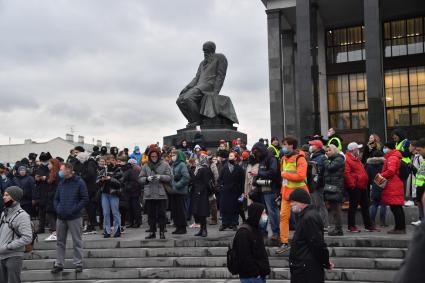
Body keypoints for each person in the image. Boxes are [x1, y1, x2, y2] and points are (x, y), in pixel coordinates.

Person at [176, 41, 228, 127]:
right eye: (203, 50)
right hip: (198, 86)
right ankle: (192, 120)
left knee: (188, 98)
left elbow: (221, 76)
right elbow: (196, 78)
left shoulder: (220, 57)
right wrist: (187, 87)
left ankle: (197, 120)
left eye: (206, 50)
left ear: (212, 49)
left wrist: (216, 91)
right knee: (179, 100)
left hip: (209, 85)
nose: (204, 52)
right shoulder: (202, 63)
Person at [288, 188, 333, 283]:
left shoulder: (309, 218)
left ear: (302, 202)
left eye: (293, 201)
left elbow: (317, 244)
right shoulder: (306, 216)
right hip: (304, 267)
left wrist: (325, 262)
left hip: (307, 270)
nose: (291, 204)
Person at [51, 163, 88, 274]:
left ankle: (78, 264)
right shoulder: (61, 182)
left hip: (74, 217)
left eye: (62, 170)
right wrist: (58, 209)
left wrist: (74, 209)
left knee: (77, 241)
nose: (60, 172)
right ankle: (59, 264)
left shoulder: (79, 182)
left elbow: (85, 198)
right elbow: (56, 199)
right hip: (61, 217)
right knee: (60, 242)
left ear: (69, 170)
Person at [277, 137, 308, 254]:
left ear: (292, 146)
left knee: (302, 219)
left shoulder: (300, 159)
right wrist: (281, 193)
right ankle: (284, 242)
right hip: (286, 194)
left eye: (285, 144)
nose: (283, 147)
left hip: (299, 194)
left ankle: (303, 241)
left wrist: (285, 174)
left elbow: (301, 176)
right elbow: (283, 179)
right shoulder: (283, 159)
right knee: (283, 217)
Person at [0, 186, 32, 283]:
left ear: (14, 198)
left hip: (13, 256)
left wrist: (8, 247)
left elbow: (27, 237)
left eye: (7, 195)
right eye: (4, 195)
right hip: (1, 256)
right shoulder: (4, 213)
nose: (3, 197)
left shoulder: (23, 216)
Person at [139, 147, 172, 239]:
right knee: (151, 215)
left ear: (158, 156)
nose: (154, 157)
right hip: (149, 194)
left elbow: (170, 177)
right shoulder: (146, 165)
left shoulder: (165, 165)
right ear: (149, 156)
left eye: (155, 156)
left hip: (161, 193)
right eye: (152, 156)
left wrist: (161, 177)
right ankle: (152, 232)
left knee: (162, 214)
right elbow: (140, 178)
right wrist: (146, 179)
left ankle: (162, 232)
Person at [232, 202, 271, 283]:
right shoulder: (243, 233)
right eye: (263, 213)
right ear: (256, 214)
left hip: (259, 275)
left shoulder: (256, 229)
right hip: (251, 277)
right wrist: (256, 273)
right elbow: (244, 257)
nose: (265, 216)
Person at [250, 142, 280, 243]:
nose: (255, 154)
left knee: (272, 212)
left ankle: (276, 232)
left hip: (271, 190)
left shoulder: (271, 159)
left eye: (256, 152)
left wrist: (258, 173)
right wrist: (256, 179)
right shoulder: (262, 160)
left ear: (261, 150)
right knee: (264, 213)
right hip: (262, 190)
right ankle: (263, 232)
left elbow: (273, 173)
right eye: (254, 153)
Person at [345, 142, 378, 233]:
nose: (359, 150)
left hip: (362, 186)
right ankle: (351, 226)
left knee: (365, 206)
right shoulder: (348, 159)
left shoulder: (356, 159)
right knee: (353, 207)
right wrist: (352, 185)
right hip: (355, 186)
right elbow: (346, 173)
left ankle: (368, 226)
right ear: (353, 150)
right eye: (357, 149)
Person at [381, 142, 406, 234]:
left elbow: (391, 171)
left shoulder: (392, 158)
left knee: (396, 208)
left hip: (393, 185)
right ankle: (399, 227)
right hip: (395, 185)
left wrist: (381, 175)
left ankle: (400, 228)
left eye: (385, 147)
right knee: (396, 207)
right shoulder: (394, 157)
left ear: (389, 148)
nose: (384, 149)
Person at [219, 151, 245, 231]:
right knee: (224, 207)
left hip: (235, 191)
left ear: (235, 158)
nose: (229, 157)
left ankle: (234, 223)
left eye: (231, 156)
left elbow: (242, 181)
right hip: (225, 191)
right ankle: (225, 223)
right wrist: (221, 186)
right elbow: (220, 179)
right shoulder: (224, 167)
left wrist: (241, 192)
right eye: (229, 156)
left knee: (235, 207)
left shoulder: (239, 168)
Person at [97, 158, 122, 238]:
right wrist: (101, 180)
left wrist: (110, 179)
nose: (108, 163)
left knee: (115, 212)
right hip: (104, 193)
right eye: (107, 161)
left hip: (114, 193)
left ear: (115, 161)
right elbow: (97, 182)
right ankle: (107, 231)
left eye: (111, 161)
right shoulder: (103, 171)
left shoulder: (118, 170)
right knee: (106, 213)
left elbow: (120, 183)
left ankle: (117, 229)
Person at [323, 145, 345, 236]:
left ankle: (338, 229)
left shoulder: (339, 159)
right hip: (331, 187)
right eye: (326, 151)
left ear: (334, 150)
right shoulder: (332, 159)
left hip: (336, 188)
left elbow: (330, 167)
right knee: (334, 209)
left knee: (336, 209)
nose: (327, 152)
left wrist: (325, 160)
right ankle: (337, 228)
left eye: (329, 150)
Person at [308, 139, 329, 230]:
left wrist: (316, 185)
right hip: (314, 185)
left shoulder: (321, 157)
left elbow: (320, 173)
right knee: (316, 205)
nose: (310, 147)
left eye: (312, 145)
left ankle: (324, 225)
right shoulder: (314, 156)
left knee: (319, 205)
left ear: (317, 147)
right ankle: (320, 224)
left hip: (317, 185)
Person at [191, 154, 213, 237]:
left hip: (202, 193)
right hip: (196, 192)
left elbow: (206, 182)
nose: (196, 160)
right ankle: (201, 229)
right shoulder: (197, 168)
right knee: (198, 212)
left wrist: (201, 190)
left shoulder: (205, 169)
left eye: (198, 159)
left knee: (202, 211)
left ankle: (204, 230)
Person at [77, 151, 99, 234]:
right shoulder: (91, 163)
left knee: (90, 207)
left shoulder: (89, 163)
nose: (80, 161)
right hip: (91, 187)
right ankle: (91, 225)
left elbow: (90, 174)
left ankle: (91, 225)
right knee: (90, 207)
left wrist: (82, 177)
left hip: (90, 188)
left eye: (80, 159)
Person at [365, 151, 387, 228]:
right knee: (383, 204)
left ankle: (372, 221)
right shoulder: (384, 163)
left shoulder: (369, 165)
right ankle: (382, 222)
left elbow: (367, 176)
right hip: (383, 185)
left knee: (374, 204)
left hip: (374, 185)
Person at [170, 150, 190, 235]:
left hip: (180, 192)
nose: (172, 156)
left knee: (181, 210)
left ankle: (182, 227)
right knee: (175, 211)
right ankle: (178, 227)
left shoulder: (182, 165)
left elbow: (186, 177)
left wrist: (177, 185)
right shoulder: (173, 165)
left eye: (174, 155)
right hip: (174, 192)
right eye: (172, 154)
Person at [392, 128, 412, 204]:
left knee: (403, 182)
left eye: (395, 136)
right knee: (399, 182)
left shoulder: (406, 142)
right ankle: (399, 198)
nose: (393, 138)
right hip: (398, 165)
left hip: (405, 165)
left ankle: (402, 199)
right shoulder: (397, 143)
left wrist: (397, 152)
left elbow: (408, 153)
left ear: (399, 135)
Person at [44, 158, 61, 241]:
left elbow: (58, 187)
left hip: (54, 197)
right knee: (51, 214)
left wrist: (52, 195)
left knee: (52, 214)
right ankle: (55, 232)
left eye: (49, 164)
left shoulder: (57, 174)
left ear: (53, 165)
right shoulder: (51, 173)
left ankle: (55, 232)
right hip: (51, 197)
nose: (48, 165)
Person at [122, 159, 142, 228]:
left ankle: (136, 222)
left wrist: (127, 186)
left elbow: (124, 180)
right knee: (132, 208)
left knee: (134, 208)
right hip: (133, 191)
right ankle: (133, 222)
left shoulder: (132, 170)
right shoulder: (136, 169)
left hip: (132, 192)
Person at [410, 139, 425, 226]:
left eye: (419, 150)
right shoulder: (423, 160)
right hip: (420, 190)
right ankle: (421, 220)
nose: (418, 153)